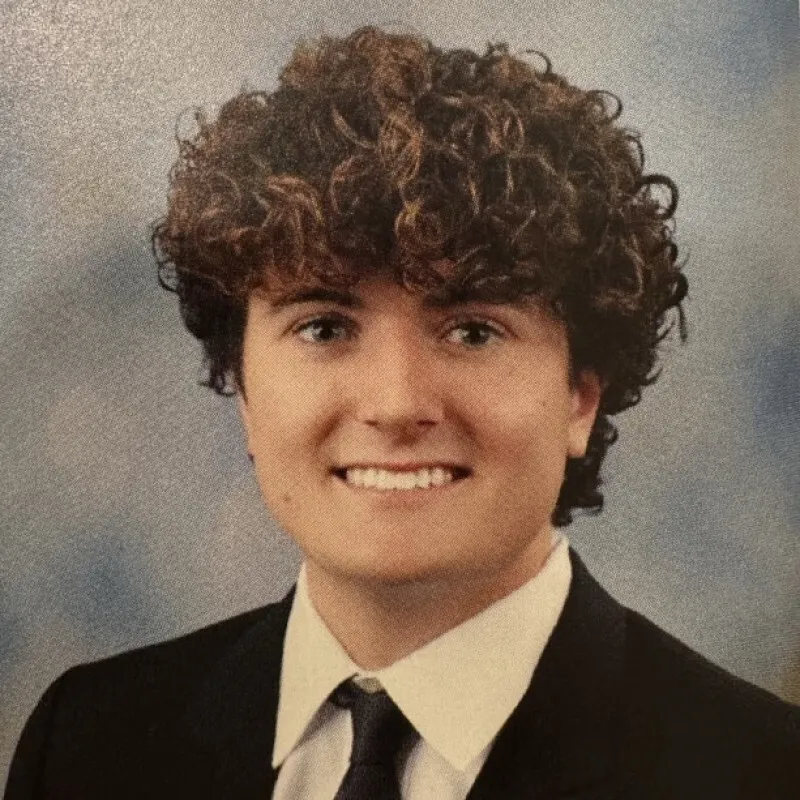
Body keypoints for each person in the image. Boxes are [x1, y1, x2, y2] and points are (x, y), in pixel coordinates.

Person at [5, 25, 798, 800]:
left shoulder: (759, 772)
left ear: (580, 394)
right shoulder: (88, 743)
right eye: (324, 326)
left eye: (472, 330)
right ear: (242, 387)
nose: (394, 406)